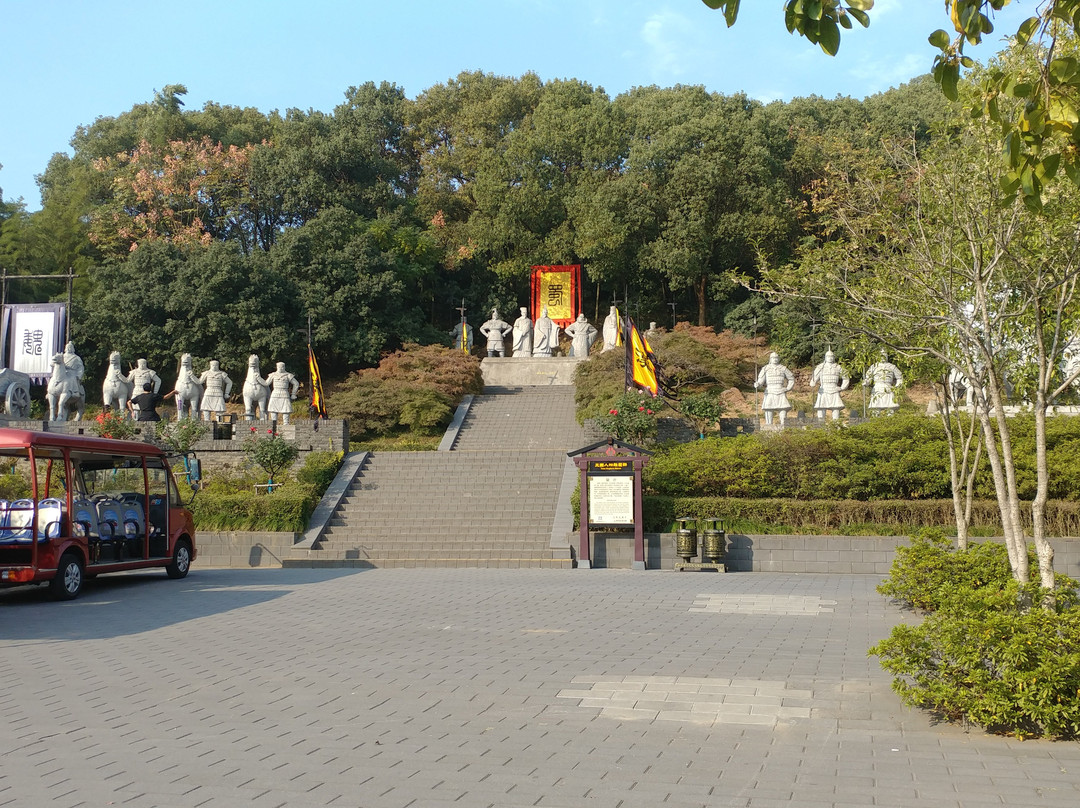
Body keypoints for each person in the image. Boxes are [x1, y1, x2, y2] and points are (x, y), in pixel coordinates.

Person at [754, 352, 795, 426]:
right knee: (768, 408)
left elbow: (791, 378)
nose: (775, 359)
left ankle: (783, 424)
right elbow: (761, 380)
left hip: (780, 390)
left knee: (783, 408)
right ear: (770, 359)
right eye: (773, 358)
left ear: (778, 359)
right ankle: (769, 424)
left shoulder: (783, 368)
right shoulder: (765, 368)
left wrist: (788, 388)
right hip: (770, 390)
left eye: (776, 358)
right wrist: (758, 384)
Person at [810, 350, 850, 420]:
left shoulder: (838, 367)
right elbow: (814, 378)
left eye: (832, 356)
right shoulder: (820, 367)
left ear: (834, 357)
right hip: (824, 390)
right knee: (821, 408)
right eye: (828, 356)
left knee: (836, 408)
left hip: (834, 389)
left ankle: (836, 424)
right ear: (825, 357)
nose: (830, 358)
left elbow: (846, 377)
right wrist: (813, 382)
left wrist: (842, 387)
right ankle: (820, 425)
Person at [864, 350, 903, 415]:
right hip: (877, 389)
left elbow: (899, 377)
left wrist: (897, 386)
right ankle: (875, 420)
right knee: (875, 408)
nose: (883, 357)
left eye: (884, 355)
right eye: (881, 355)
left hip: (889, 388)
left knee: (890, 408)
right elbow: (868, 378)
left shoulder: (892, 367)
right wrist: (866, 382)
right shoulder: (873, 367)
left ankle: (890, 420)